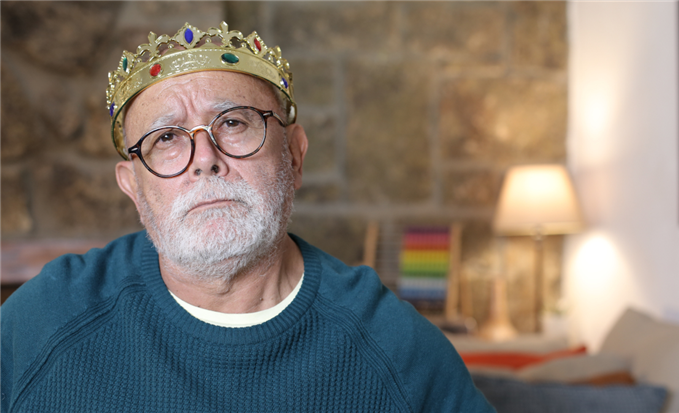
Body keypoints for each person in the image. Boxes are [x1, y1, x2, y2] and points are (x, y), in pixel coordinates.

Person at [0, 22, 495, 412]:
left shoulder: (400, 351)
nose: (204, 158)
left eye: (233, 122)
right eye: (167, 138)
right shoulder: (45, 320)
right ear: (133, 187)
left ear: (294, 156)